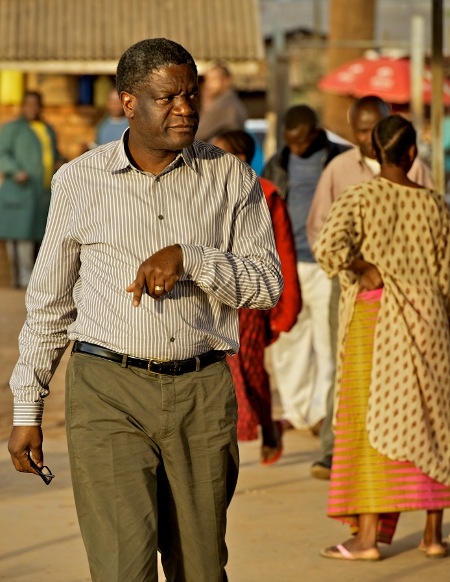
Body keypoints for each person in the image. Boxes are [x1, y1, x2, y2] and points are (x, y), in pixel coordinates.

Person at [7, 38, 283, 582]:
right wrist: (26, 409)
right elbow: (49, 305)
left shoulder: (231, 179)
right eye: (167, 97)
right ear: (128, 102)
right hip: (106, 389)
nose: (184, 108)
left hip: (202, 394)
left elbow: (267, 285)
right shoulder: (78, 181)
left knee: (200, 568)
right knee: (121, 567)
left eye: (191, 94)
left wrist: (194, 259)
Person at [315, 114, 450, 562]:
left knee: (366, 424)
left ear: (374, 151)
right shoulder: (435, 204)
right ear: (412, 153)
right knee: (435, 421)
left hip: (375, 320)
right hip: (431, 321)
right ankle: (433, 535)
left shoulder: (360, 196)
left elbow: (329, 249)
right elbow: (447, 277)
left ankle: (367, 538)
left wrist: (362, 268)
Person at [307, 96, 434, 480]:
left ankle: (396, 452)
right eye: (359, 130)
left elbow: (430, 232)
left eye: (372, 129)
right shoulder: (340, 170)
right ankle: (337, 452)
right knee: (346, 369)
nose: (366, 137)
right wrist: (354, 267)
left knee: (403, 372)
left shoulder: (419, 177)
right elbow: (320, 232)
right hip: (351, 292)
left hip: (406, 295)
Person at [212, 130, 302, 464]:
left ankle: (264, 425)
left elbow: (284, 253)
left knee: (248, 369)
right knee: (220, 368)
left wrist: (285, 307)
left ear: (243, 157)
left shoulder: (266, 195)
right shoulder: (204, 191)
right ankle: (227, 437)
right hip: (212, 291)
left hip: (249, 296)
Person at [262, 104, 349, 435]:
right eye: (290, 141)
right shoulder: (278, 162)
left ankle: (322, 412)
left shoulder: (341, 159)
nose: (295, 147)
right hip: (288, 262)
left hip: (328, 264)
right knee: (291, 337)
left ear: (315, 132)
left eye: (301, 141)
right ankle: (296, 412)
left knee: (328, 341)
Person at [0, 91, 64, 288]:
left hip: (41, 193)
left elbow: (53, 154)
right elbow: (2, 154)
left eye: (35, 104)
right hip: (19, 190)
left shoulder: (46, 129)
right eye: (28, 104)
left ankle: (28, 278)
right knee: (19, 236)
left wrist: (61, 162)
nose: (32, 108)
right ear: (22, 106)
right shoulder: (13, 129)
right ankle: (20, 278)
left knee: (36, 236)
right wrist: (15, 170)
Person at [196, 63, 247, 143]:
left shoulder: (223, 104)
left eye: (213, 79)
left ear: (227, 81)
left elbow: (197, 134)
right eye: (207, 80)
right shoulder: (233, 101)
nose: (208, 84)